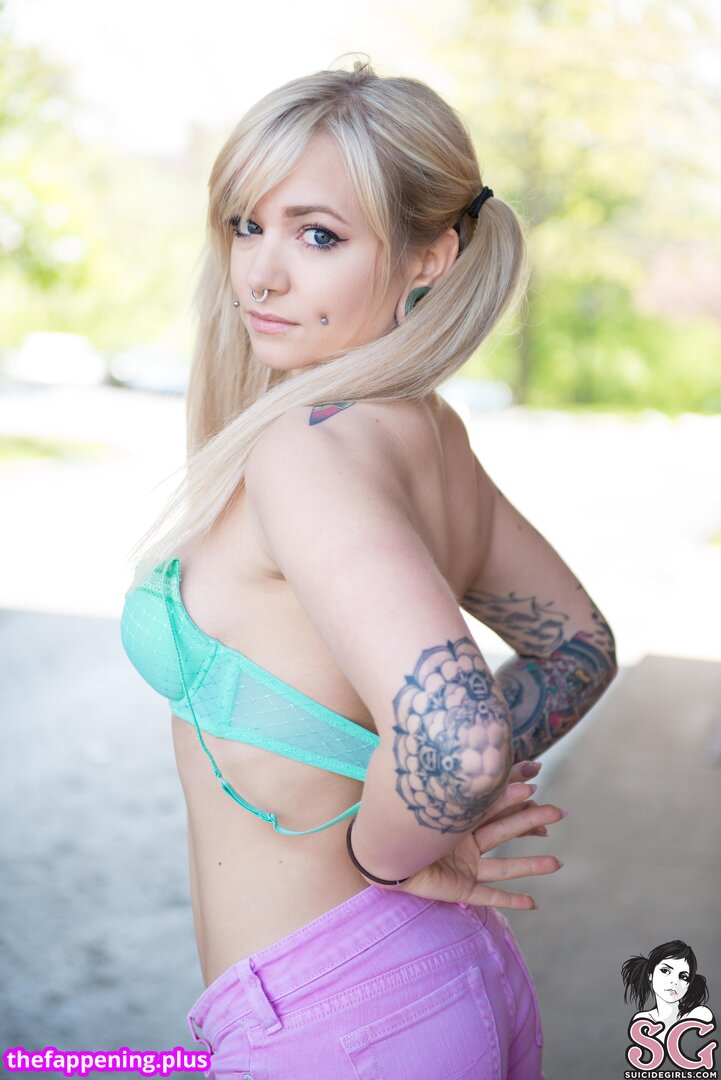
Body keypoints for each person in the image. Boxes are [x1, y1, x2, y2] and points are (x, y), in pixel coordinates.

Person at [121, 58, 618, 1079]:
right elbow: (576, 647)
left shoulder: (307, 448)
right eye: (246, 226)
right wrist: (437, 805)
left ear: (430, 255)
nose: (260, 274)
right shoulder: (423, 431)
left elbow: (454, 737)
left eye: (317, 236)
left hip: (339, 1021)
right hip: (448, 982)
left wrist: (391, 850)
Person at [623, 940, 714, 1042]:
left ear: (689, 984)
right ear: (650, 974)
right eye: (665, 971)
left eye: (683, 977)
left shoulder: (700, 1015)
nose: (674, 982)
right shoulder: (642, 1020)